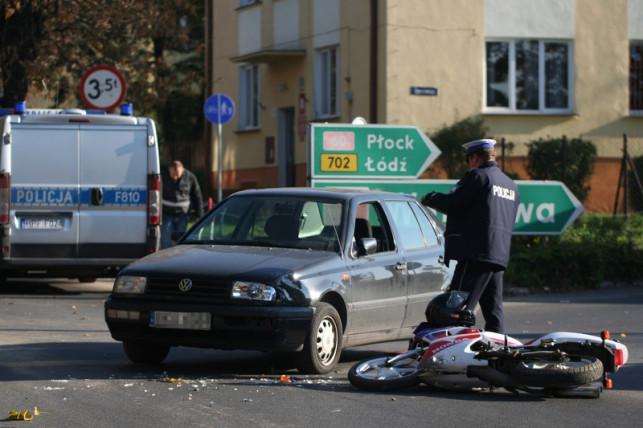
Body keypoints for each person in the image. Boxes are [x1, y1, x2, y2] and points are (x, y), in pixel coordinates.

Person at [421, 139, 520, 333]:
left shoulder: (478, 177)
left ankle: (452, 353)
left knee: (456, 307)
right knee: (493, 310)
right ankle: (497, 354)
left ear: (475, 157)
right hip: (498, 255)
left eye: (469, 160)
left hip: (475, 253)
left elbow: (453, 203)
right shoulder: (511, 185)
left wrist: (431, 198)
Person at [161, 160, 204, 249]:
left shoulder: (190, 177)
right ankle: (166, 261)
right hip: (166, 215)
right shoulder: (162, 177)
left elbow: (197, 196)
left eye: (178, 174)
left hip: (183, 215)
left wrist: (199, 215)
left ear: (183, 170)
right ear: (169, 169)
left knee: (180, 242)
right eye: (173, 175)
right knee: (165, 241)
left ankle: (177, 261)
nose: (175, 177)